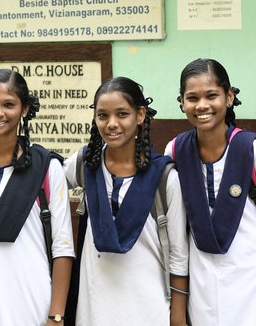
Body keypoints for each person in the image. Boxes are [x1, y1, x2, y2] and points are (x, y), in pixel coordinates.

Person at [163, 58, 256, 325]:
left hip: (255, 281)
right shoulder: (175, 151)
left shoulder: (252, 149)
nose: (202, 105)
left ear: (229, 96)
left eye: (212, 95)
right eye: (192, 98)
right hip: (202, 285)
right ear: (181, 102)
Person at [0, 69, 74, 326]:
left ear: (25, 109)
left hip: (30, 301)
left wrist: (57, 313)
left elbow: (62, 246)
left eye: (9, 104)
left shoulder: (46, 167)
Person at [64, 77, 188, 326]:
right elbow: (38, 176)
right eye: (102, 115)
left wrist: (178, 315)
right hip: (94, 308)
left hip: (150, 308)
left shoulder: (164, 178)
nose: (111, 124)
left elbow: (178, 254)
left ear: (140, 115)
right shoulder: (84, 165)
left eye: (122, 114)